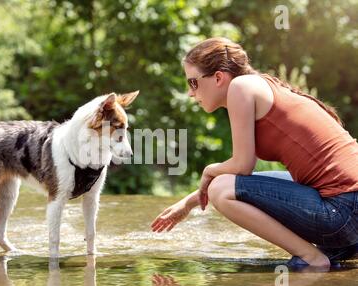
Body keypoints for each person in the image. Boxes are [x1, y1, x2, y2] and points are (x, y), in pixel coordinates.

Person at [151, 37, 358, 268]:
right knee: (225, 182)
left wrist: (209, 170)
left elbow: (242, 165)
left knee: (222, 189)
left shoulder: (241, 88)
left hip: (342, 211)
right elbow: (242, 174)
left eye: (193, 82)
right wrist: (188, 203)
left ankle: (313, 259)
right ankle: (331, 251)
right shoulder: (259, 85)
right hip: (348, 210)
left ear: (218, 77)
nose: (190, 93)